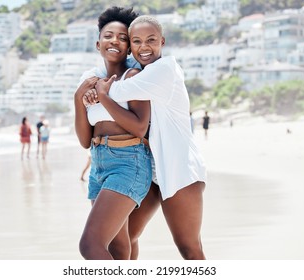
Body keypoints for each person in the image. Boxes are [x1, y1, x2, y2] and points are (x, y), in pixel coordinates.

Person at [90, 15, 207, 260]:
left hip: (179, 169)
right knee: (124, 240)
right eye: (137, 41)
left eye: (151, 40)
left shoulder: (164, 69)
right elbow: (113, 70)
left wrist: (96, 90)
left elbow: (118, 89)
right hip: (152, 170)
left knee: (190, 249)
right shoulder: (143, 70)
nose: (144, 47)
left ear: (162, 41)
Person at [74, 7, 152, 260]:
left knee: (91, 246)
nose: (115, 41)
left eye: (122, 37)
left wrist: (105, 97)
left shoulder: (134, 77)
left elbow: (140, 127)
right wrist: (78, 99)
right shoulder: (91, 82)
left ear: (129, 47)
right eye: (109, 36)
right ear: (98, 44)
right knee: (117, 248)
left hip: (128, 163)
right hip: (99, 165)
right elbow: (86, 140)